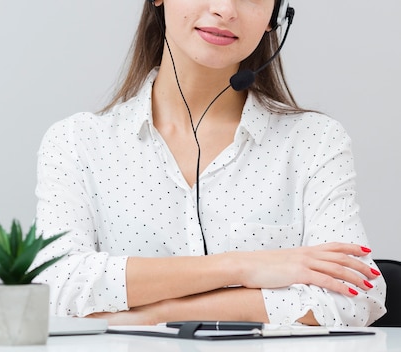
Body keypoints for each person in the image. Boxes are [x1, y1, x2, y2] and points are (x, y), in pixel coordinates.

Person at [32, 0, 387, 327]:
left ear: (274, 16)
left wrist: (159, 314)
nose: (225, 9)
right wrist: (246, 265)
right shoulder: (78, 141)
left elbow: (357, 298)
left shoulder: (314, 140)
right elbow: (57, 285)